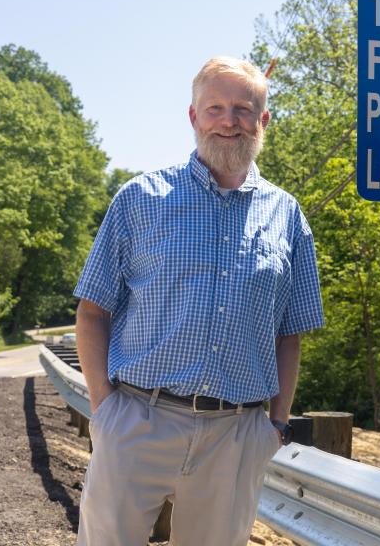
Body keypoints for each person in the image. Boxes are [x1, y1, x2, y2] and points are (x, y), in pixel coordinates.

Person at [73, 56, 323, 545]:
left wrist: (275, 424)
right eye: (215, 108)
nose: (229, 121)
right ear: (193, 117)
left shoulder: (287, 216)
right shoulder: (139, 199)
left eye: (243, 109)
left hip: (235, 435)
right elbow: (92, 312)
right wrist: (105, 412)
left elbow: (289, 332)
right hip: (138, 421)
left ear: (263, 121)